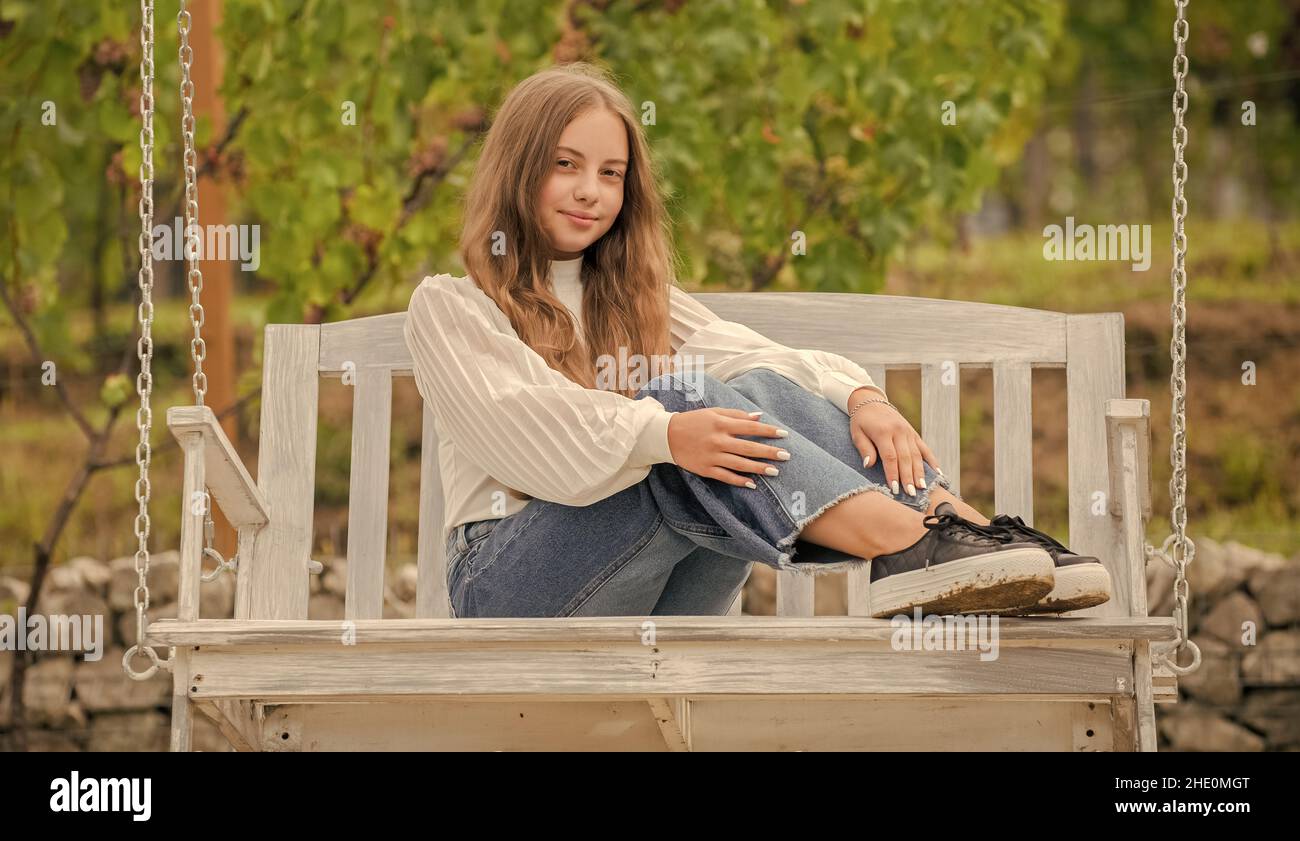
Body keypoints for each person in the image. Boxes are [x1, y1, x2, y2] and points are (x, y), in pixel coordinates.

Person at [403, 62, 1111, 619]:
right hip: (511, 587)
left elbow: (759, 361)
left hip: (656, 589)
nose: (591, 189)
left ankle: (965, 532)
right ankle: (909, 545)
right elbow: (528, 431)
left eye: (611, 173)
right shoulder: (452, 307)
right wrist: (665, 435)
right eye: (565, 164)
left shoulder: (635, 300)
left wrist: (859, 394)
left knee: (750, 393)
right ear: (516, 167)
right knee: (677, 408)